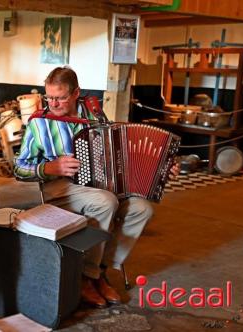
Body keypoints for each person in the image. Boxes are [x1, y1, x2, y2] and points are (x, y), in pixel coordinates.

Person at [14, 66, 178, 308]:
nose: (53, 104)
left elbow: (120, 151)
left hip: (102, 184)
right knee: (105, 202)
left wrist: (162, 167)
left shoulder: (95, 116)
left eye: (60, 97)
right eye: (49, 97)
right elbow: (19, 168)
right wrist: (50, 168)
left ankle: (99, 270)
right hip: (60, 188)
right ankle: (86, 278)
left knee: (143, 208)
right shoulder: (39, 123)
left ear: (76, 93)